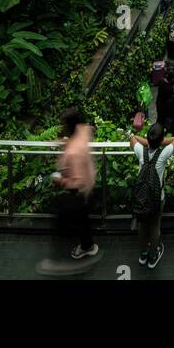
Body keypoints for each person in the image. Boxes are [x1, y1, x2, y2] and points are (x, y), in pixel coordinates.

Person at [130, 123, 174, 270]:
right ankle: (153, 256)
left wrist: (148, 141)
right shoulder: (162, 155)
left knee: (142, 226)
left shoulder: (141, 151)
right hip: (157, 198)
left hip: (141, 198)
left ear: (148, 137)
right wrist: (159, 141)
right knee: (155, 227)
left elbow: (132, 138)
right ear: (161, 139)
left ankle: (143, 254)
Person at [54, 108, 98, 263]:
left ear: (68, 126)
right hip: (90, 182)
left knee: (80, 220)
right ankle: (87, 243)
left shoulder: (73, 152)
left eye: (63, 124)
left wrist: (60, 181)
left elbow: (77, 181)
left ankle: (87, 247)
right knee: (82, 220)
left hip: (80, 192)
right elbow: (91, 129)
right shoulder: (84, 131)